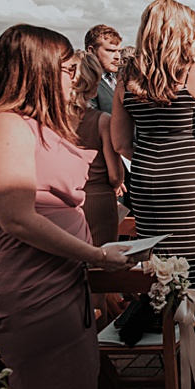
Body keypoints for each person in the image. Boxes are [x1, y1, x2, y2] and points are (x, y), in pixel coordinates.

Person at [0, 25, 131, 389]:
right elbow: (16, 216)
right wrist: (94, 254)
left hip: (63, 275)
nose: (74, 76)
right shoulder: (9, 125)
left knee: (71, 386)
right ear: (36, 70)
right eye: (66, 68)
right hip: (34, 280)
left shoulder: (37, 123)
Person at [112, 0, 195, 327]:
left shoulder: (128, 76)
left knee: (161, 264)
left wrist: (152, 161)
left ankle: (168, 348)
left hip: (148, 185)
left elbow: (121, 142)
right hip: (192, 183)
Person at [72, 50, 124, 246]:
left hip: (64, 201)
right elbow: (114, 176)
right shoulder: (102, 121)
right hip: (98, 201)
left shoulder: (52, 121)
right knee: (101, 266)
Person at [85, 23, 122, 112]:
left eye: (119, 51)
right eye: (110, 51)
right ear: (91, 50)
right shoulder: (85, 82)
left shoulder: (122, 77)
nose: (117, 57)